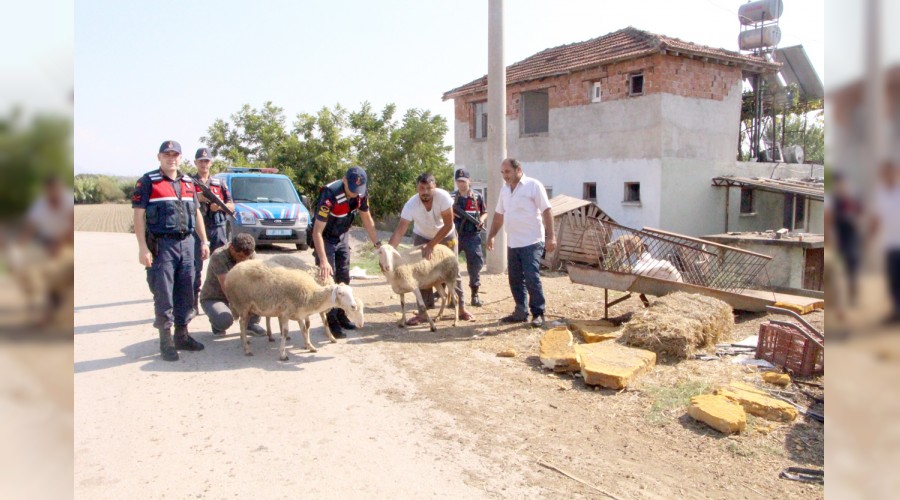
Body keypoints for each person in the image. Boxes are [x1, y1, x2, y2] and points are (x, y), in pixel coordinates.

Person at [132, 140, 210, 362]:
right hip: (163, 245)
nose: (171, 158)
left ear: (180, 157)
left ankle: (182, 335)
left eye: (175, 154)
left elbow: (196, 213)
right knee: (164, 293)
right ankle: (165, 341)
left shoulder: (188, 182)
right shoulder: (148, 182)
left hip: (188, 243)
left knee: (187, 289)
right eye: (167, 154)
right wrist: (142, 247)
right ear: (159, 157)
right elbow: (139, 215)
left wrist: (204, 241)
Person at [388, 172, 474, 324]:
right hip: (422, 236)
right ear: (417, 188)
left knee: (453, 269)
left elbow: (448, 224)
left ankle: (461, 308)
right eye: (422, 188)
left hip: (446, 234)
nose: (425, 192)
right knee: (419, 271)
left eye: (429, 188)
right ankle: (424, 312)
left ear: (434, 187)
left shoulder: (443, 197)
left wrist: (432, 245)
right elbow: (400, 230)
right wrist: (388, 252)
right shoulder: (411, 205)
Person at [311, 166, 381, 337]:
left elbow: (367, 218)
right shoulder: (330, 194)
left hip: (342, 236)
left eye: (358, 190)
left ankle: (342, 316)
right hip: (325, 237)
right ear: (344, 180)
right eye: (352, 189)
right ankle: (331, 322)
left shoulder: (361, 195)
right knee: (329, 281)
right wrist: (323, 260)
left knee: (344, 277)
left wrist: (378, 244)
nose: (354, 193)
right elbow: (317, 232)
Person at [486, 158, 556, 328]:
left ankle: (538, 313)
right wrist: (491, 235)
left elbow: (547, 210)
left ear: (518, 170)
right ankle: (520, 311)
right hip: (513, 242)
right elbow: (499, 215)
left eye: (508, 172)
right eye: (502, 173)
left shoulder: (533, 186)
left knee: (532, 277)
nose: (505, 176)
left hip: (532, 241)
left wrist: (551, 236)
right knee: (515, 278)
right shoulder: (505, 190)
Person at [191, 147, 234, 315]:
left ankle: (223, 300)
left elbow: (231, 205)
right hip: (197, 230)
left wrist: (220, 206)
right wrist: (201, 198)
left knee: (222, 266)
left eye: (207, 161)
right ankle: (193, 303)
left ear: (211, 163)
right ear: (195, 163)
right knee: (194, 268)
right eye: (201, 161)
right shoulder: (189, 182)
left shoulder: (219, 183)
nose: (204, 164)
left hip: (218, 228)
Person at [199, 233, 266, 335]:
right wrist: (241, 307)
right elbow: (227, 286)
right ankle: (216, 322)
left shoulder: (250, 253)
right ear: (231, 248)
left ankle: (251, 323)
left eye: (246, 258)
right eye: (240, 256)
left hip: (241, 293)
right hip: (215, 297)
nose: (243, 260)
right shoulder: (219, 256)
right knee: (224, 320)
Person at [451, 168, 487, 307]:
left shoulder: (477, 196)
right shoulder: (451, 197)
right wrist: (451, 214)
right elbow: (442, 211)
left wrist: (481, 220)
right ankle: (446, 292)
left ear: (469, 181)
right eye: (458, 181)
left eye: (463, 181)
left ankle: (475, 294)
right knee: (448, 263)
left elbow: (485, 212)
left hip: (472, 235)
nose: (461, 184)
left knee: (475, 264)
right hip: (455, 236)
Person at [870, 160, 900, 323]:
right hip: (889, 245)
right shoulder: (880, 194)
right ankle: (896, 312)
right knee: (892, 279)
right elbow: (876, 219)